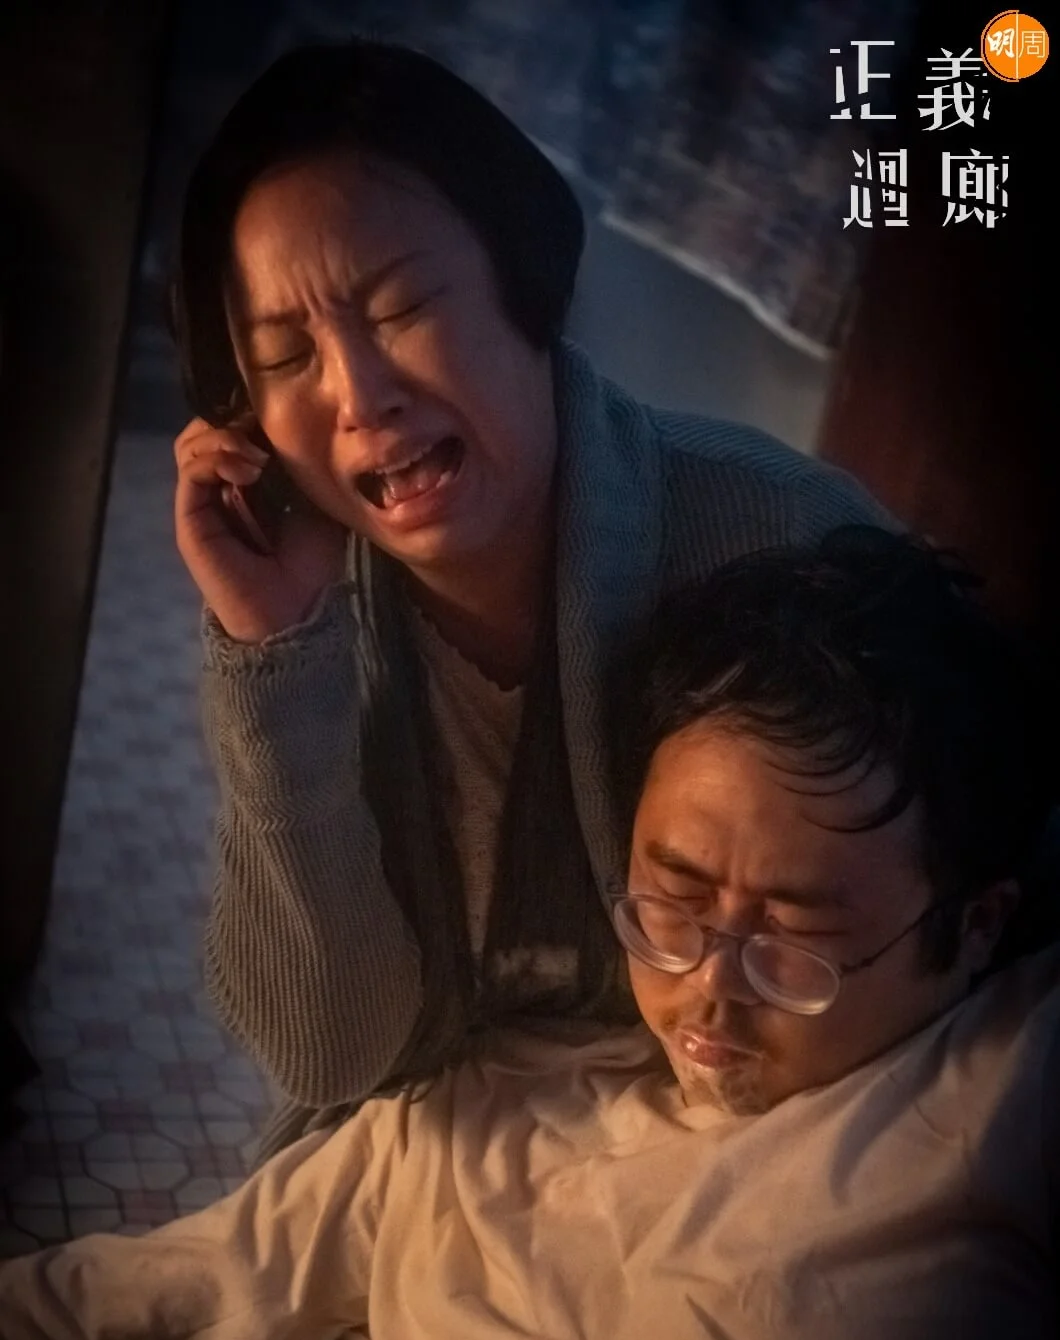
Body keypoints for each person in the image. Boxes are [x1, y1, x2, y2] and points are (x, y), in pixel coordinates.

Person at [2, 530, 1057, 1340]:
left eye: (796, 943)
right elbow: (187, 1280)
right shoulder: (494, 1108)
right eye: (674, 902)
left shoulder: (995, 1087)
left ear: (974, 927)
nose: (708, 989)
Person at [172, 39, 894, 1155]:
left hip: (736, 1159)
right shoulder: (300, 620)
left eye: (400, 307)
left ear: (524, 283)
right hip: (431, 1164)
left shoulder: (789, 536)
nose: (359, 396)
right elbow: (329, 1056)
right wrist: (271, 649)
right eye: (285, 356)